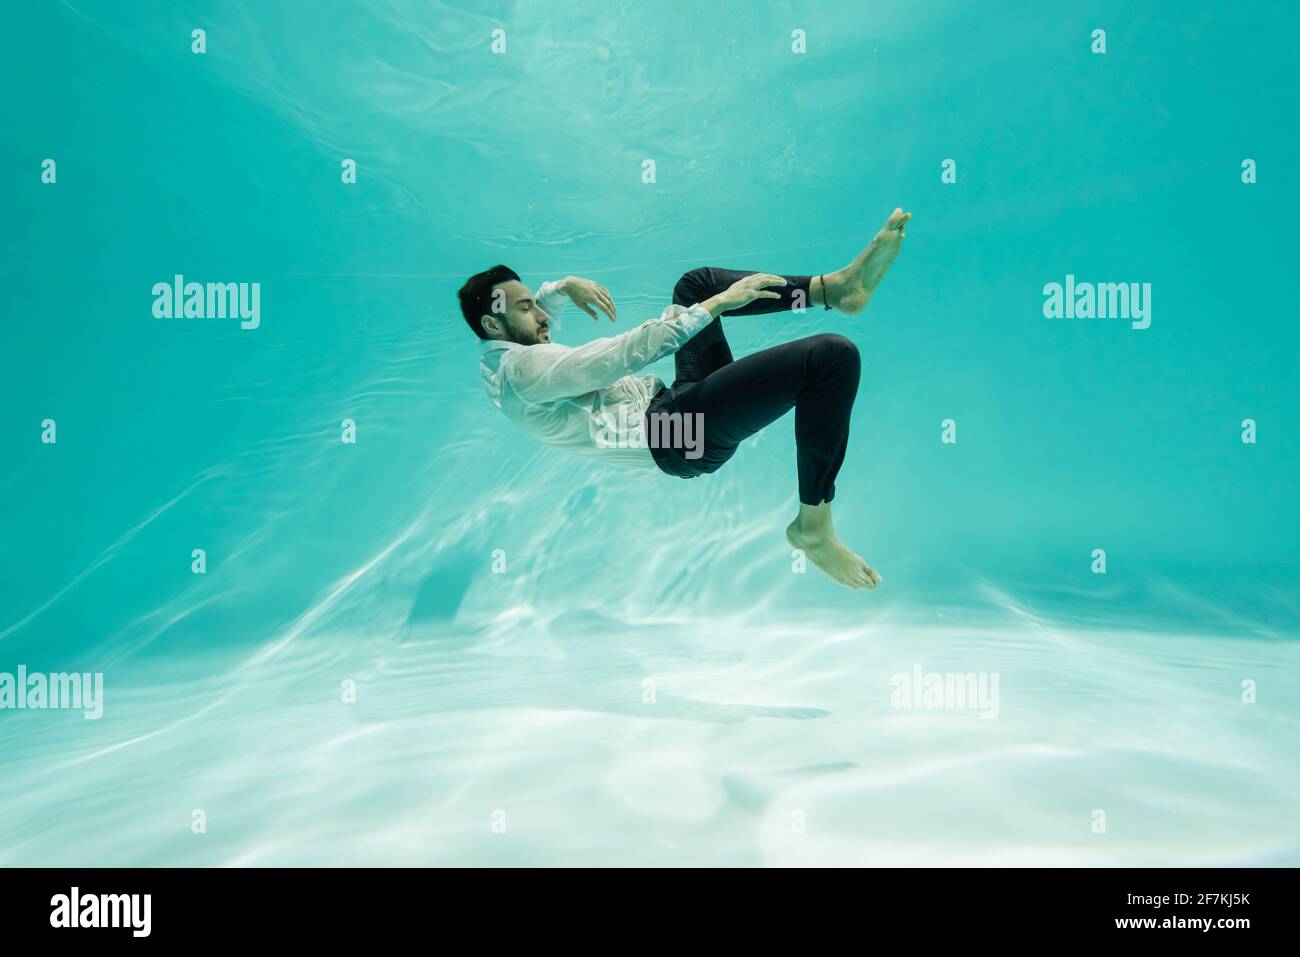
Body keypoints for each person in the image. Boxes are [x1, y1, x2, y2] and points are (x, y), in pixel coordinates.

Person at [461, 208, 912, 589]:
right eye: (527, 308)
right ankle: (813, 527)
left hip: (673, 410)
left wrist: (557, 290)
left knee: (695, 283)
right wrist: (716, 308)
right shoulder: (523, 371)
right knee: (830, 357)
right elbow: (614, 358)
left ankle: (834, 289)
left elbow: (531, 319)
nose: (541, 316)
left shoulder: (501, 356)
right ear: (493, 326)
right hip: (676, 436)